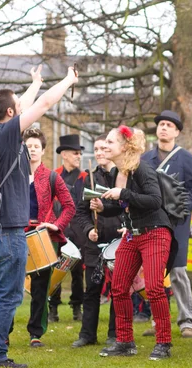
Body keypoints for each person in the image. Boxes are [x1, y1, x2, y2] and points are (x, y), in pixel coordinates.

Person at [0, 65, 78, 368]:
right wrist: (67, 79)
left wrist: (35, 82)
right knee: (9, 295)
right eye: (16, 106)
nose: (21, 109)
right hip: (7, 232)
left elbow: (26, 104)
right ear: (8, 112)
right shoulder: (7, 134)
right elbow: (43, 105)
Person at [93, 126, 176, 361]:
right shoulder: (114, 173)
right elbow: (121, 206)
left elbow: (154, 200)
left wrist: (123, 194)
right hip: (132, 235)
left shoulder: (142, 169)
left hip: (155, 232)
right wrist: (103, 207)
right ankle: (125, 342)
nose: (105, 146)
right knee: (118, 288)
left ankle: (163, 343)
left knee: (154, 288)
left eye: (110, 142)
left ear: (125, 147)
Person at [141, 110, 192, 338]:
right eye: (161, 124)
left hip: (177, 224)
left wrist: (181, 211)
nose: (164, 128)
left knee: (177, 271)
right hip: (151, 223)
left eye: (169, 125)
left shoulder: (186, 159)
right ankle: (159, 321)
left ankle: (187, 321)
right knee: (155, 273)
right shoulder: (145, 159)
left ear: (176, 131)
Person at [24, 128, 75, 348]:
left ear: (43, 150)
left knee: (40, 288)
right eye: (28, 146)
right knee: (8, 286)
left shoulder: (52, 176)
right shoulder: (12, 175)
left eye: (36, 146)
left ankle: (36, 333)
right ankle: (2, 333)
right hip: (16, 234)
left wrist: (55, 224)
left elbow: (69, 206)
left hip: (43, 236)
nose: (32, 150)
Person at [72, 134, 122, 348]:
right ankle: (87, 334)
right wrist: (87, 230)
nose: (100, 152)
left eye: (104, 148)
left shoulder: (124, 177)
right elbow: (80, 213)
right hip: (95, 242)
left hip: (119, 242)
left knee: (118, 290)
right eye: (97, 149)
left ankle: (115, 333)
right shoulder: (87, 179)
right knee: (92, 288)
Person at [48, 134, 87, 322]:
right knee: (55, 270)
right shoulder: (54, 176)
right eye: (75, 153)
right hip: (58, 231)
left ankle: (76, 308)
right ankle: (52, 308)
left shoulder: (85, 177)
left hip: (79, 232)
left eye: (79, 153)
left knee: (78, 273)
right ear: (64, 154)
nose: (78, 156)